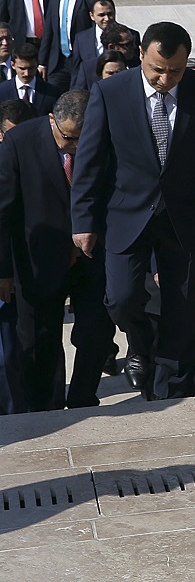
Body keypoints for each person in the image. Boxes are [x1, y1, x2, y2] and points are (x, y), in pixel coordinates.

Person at [70, 21, 195, 401]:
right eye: (157, 69)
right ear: (141, 56)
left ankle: (168, 391)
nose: (165, 78)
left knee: (183, 311)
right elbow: (90, 162)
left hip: (185, 217)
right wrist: (83, 220)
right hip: (126, 213)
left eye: (175, 71)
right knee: (120, 297)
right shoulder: (110, 91)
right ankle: (140, 342)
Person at [0, 90, 115, 410]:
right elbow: (3, 210)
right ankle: (45, 408)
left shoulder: (105, 137)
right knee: (40, 338)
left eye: (82, 138)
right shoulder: (19, 142)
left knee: (96, 329)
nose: (75, 145)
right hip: (37, 258)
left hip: (93, 256)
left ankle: (82, 395)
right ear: (51, 120)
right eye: (68, 138)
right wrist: (3, 270)